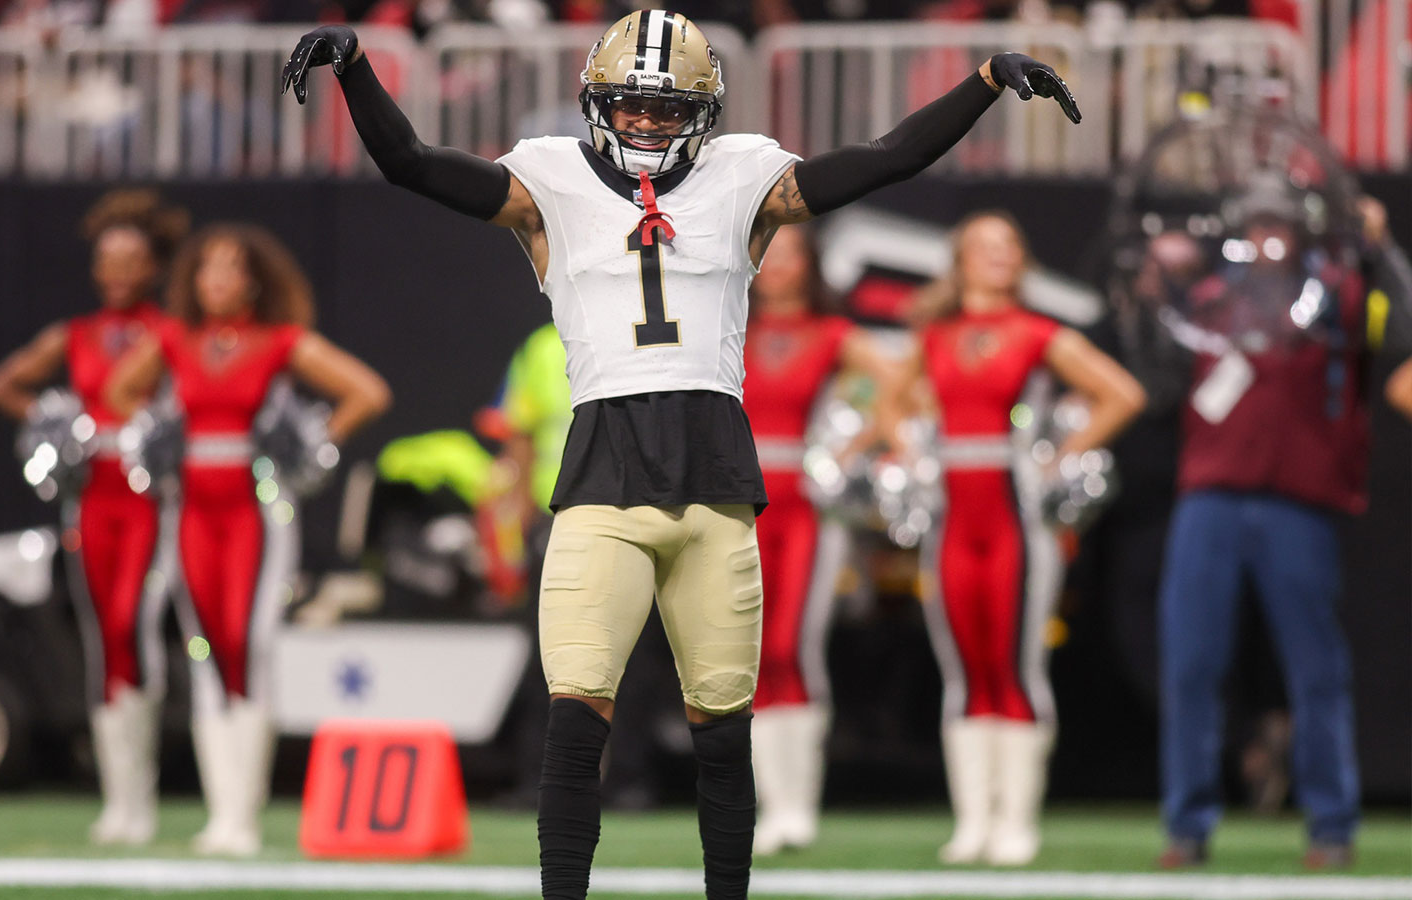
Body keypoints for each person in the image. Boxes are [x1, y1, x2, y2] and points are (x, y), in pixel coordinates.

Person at [280, 12, 1080, 897]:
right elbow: (413, 163)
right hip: (601, 484)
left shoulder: (744, 176)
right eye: (631, 107)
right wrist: (356, 69)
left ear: (703, 110)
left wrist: (981, 83)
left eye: (667, 109)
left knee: (722, 733)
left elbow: (883, 155)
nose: (648, 124)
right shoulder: (548, 180)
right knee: (576, 722)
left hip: (715, 490)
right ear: (598, 103)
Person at [105, 223, 391, 856]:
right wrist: (157, 429)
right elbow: (119, 390)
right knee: (203, 646)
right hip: (191, 509)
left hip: (255, 507)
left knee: (246, 642)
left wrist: (312, 441)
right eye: (207, 268)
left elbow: (367, 393)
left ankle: (243, 815)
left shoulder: (281, 342)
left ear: (255, 280)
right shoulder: (175, 339)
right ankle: (220, 815)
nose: (217, 280)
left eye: (231, 268)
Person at [875, 211, 1145, 865]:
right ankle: (972, 822)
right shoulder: (933, 337)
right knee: (963, 668)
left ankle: (1016, 821)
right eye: (984, 246)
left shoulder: (1038, 332)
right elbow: (888, 402)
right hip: (951, 520)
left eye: (1009, 247)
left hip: (1016, 518)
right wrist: (910, 450)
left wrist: (1060, 457)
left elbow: (1123, 395)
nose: (999, 256)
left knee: (1016, 666)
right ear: (960, 260)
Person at [1154, 190, 1409, 871]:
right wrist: (1158, 279)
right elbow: (1151, 366)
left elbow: (1405, 333)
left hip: (1299, 503)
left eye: (1280, 226)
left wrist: (1379, 249)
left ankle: (1332, 825)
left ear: (1302, 234)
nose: (1268, 239)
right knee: (1190, 665)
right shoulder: (1207, 299)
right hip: (1208, 500)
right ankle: (1187, 825)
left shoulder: (1341, 298)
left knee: (1316, 670)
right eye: (1255, 225)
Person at [0, 189, 189, 847]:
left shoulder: (168, 332)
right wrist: (57, 422)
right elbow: (1, 385)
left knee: (135, 624)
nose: (119, 271)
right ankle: (118, 800)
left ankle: (144, 796)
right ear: (96, 269)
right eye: (108, 259)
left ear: (152, 266)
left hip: (148, 495)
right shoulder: (75, 336)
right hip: (91, 493)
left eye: (131, 258)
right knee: (103, 635)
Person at [741, 223, 891, 854]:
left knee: (790, 647)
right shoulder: (727, 326)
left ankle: (797, 805)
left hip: (803, 504)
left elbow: (903, 387)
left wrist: (847, 451)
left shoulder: (834, 334)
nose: (777, 265)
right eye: (768, 251)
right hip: (734, 503)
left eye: (790, 253)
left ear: (811, 264)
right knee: (742, 654)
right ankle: (766, 806)